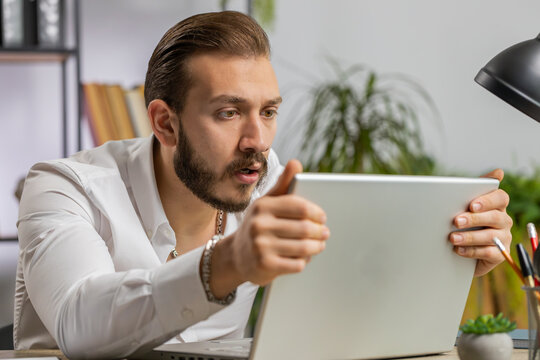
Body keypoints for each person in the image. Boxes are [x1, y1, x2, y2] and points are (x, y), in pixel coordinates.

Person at [14, 11, 512, 359]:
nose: (257, 140)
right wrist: (227, 263)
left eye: (269, 112)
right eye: (228, 113)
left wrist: (451, 255)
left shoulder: (272, 182)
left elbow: (346, 299)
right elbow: (81, 325)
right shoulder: (65, 186)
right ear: (165, 123)